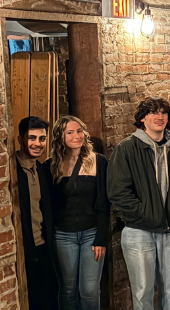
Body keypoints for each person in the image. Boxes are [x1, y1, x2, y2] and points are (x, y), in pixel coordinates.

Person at [109, 98, 170, 310]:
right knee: (143, 290)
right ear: (142, 118)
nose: (160, 117)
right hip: (139, 230)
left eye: (164, 113)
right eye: (154, 112)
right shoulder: (127, 148)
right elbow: (117, 191)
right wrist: (146, 214)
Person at [47, 116, 109, 310]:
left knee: (89, 290)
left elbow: (104, 203)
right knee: (67, 289)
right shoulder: (51, 165)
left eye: (80, 131)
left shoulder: (98, 161)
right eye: (70, 132)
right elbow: (49, 206)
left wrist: (101, 238)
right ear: (60, 137)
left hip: (91, 233)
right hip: (64, 235)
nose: (77, 136)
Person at [14, 116, 60, 310]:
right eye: (32, 138)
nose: (38, 143)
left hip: (43, 246)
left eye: (42, 139)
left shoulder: (41, 168)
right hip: (24, 250)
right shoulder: (12, 170)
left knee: (48, 298)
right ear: (20, 139)